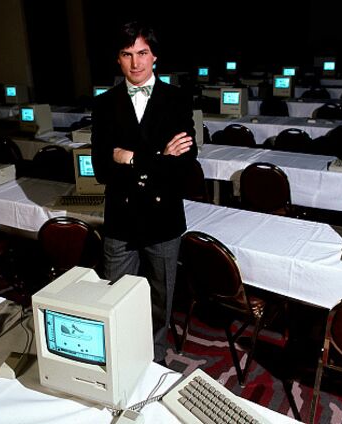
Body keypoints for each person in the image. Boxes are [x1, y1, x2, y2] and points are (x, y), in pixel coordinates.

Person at [91, 21, 196, 363]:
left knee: (160, 300)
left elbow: (184, 165)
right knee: (115, 296)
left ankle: (155, 359)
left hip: (163, 219)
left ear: (155, 57)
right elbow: (103, 170)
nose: (135, 63)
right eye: (127, 54)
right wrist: (157, 158)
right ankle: (121, 359)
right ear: (117, 60)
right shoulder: (104, 104)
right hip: (120, 219)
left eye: (142, 53)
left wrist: (129, 156)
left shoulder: (177, 99)